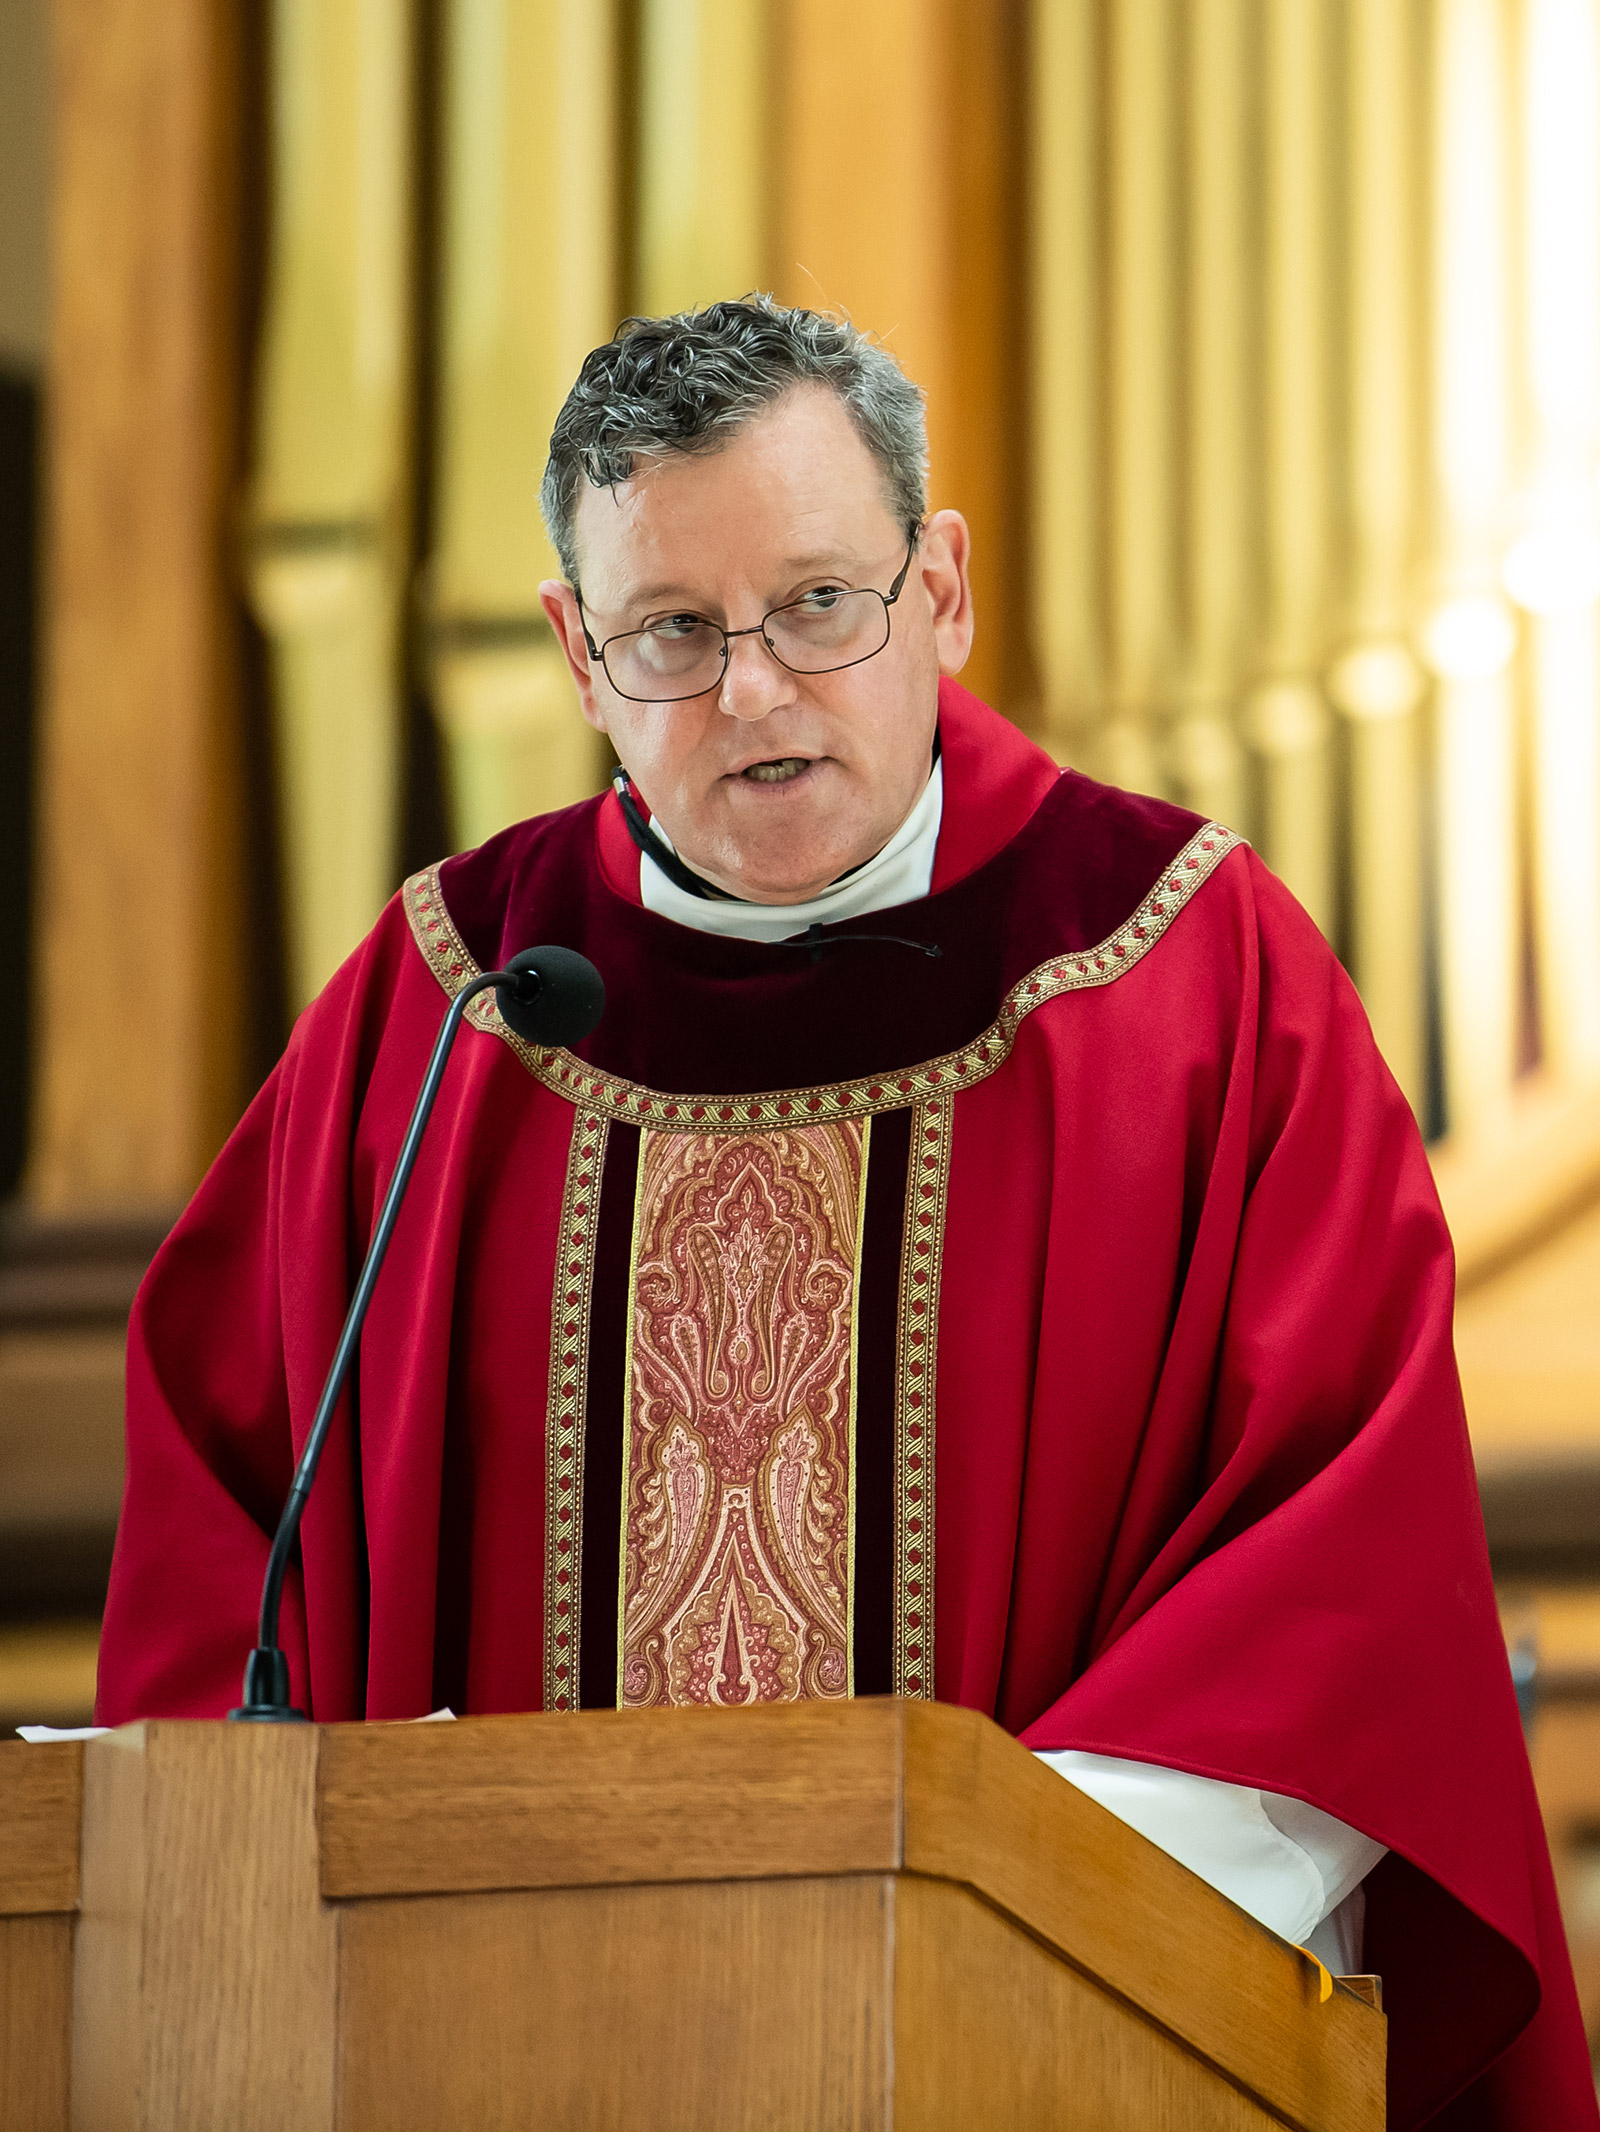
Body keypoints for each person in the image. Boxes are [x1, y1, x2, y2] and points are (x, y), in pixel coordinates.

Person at [98, 298, 1595, 2127]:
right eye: (673, 631)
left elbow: (1339, 1577)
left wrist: (983, 1920)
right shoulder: (441, 1016)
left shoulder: (1194, 979)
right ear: (577, 654)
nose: (752, 690)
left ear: (942, 589)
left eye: (821, 603)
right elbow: (218, 1589)